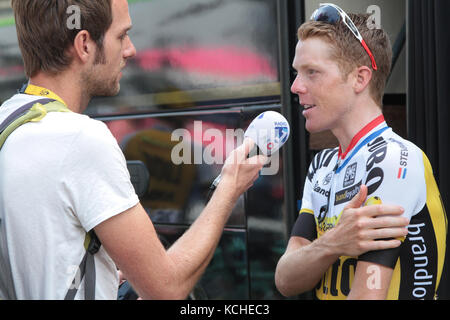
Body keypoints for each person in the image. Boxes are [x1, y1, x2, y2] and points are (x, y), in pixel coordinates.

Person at [0, 0, 265, 299]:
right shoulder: (81, 138)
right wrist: (229, 188)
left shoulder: (8, 121)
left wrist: (102, 275)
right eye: (121, 35)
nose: (130, 49)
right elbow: (168, 288)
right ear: (84, 44)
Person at [275, 3, 447, 300]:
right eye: (297, 72)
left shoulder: (393, 158)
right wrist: (332, 243)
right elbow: (286, 279)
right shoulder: (323, 164)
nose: (295, 86)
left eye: (311, 72)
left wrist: (323, 246)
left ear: (360, 78)